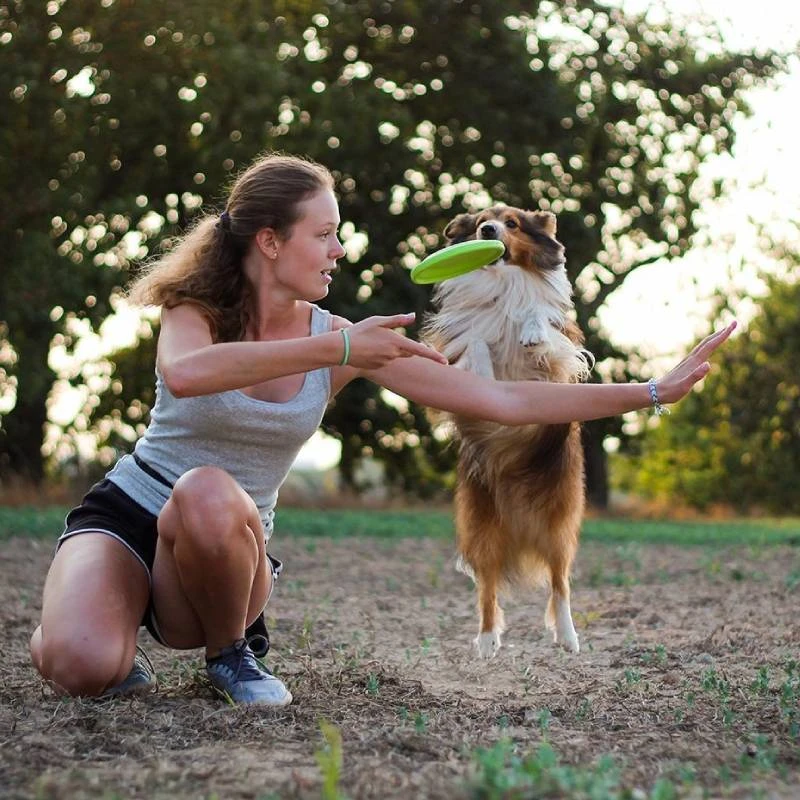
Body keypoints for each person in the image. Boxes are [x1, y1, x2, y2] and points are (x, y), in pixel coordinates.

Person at [29, 153, 736, 707]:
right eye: (325, 234)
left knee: (209, 491)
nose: (339, 249)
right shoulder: (197, 311)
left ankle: (230, 655)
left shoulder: (343, 339)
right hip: (128, 510)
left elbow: (506, 403)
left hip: (223, 539)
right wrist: (335, 349)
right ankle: (97, 625)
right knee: (79, 668)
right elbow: (188, 374)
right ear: (270, 242)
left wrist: (652, 390)